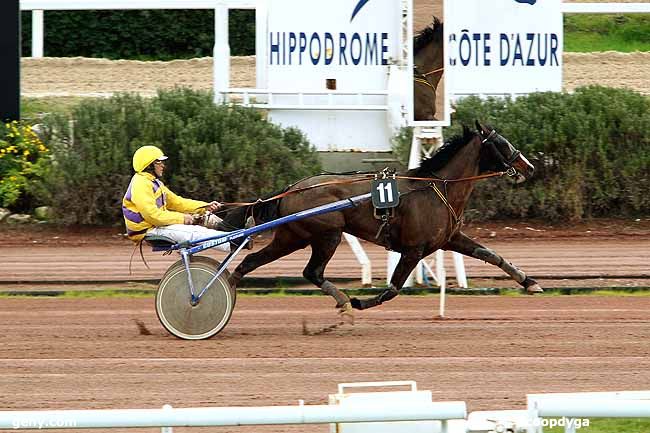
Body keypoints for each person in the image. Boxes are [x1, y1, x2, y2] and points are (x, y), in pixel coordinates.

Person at [122, 145, 250, 251]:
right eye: (159, 161)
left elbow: (178, 202)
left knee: (206, 217)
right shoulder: (141, 183)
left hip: (155, 226)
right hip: (149, 230)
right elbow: (152, 216)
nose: (163, 165)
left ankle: (237, 232)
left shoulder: (154, 183)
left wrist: (204, 206)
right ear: (148, 165)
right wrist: (183, 218)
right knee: (195, 232)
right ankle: (235, 242)